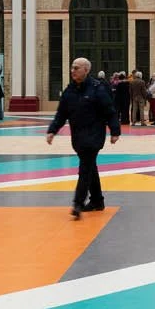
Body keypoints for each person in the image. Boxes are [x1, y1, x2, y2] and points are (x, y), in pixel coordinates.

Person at [46, 57, 121, 218]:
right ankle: (97, 200)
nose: (73, 70)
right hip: (78, 137)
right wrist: (52, 130)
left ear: (86, 70)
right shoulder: (69, 91)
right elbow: (61, 113)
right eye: (72, 68)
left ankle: (78, 203)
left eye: (76, 68)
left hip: (94, 136)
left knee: (85, 169)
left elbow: (109, 111)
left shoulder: (97, 89)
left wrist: (115, 131)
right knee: (90, 167)